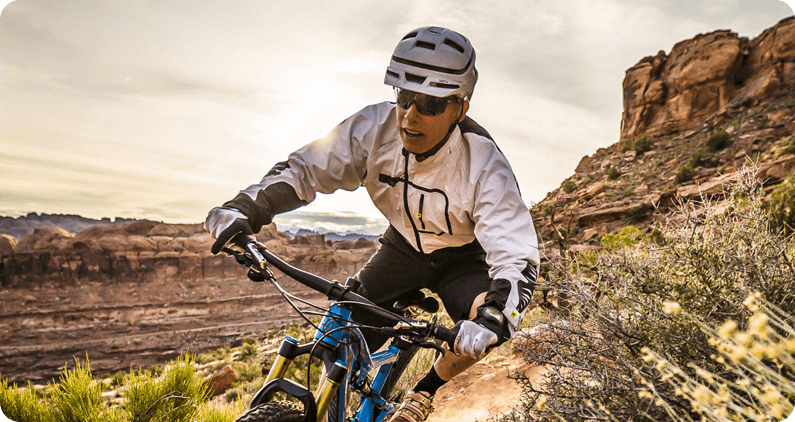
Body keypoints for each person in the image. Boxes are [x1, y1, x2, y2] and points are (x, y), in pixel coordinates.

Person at [205, 26, 540, 422]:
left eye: (430, 104)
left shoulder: (484, 164)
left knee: (480, 329)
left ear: (459, 109)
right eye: (404, 97)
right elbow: (305, 170)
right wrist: (244, 208)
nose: (410, 116)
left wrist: (495, 317)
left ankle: (423, 393)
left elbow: (515, 252)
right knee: (338, 330)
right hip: (403, 247)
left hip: (464, 257)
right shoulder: (372, 129)